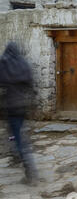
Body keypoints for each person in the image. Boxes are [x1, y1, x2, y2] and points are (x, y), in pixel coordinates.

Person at [0, 42, 38, 184]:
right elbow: (31, 85)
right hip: (23, 105)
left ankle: (30, 171)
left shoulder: (4, 64)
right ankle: (15, 154)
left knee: (18, 136)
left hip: (10, 106)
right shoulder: (23, 64)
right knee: (15, 133)